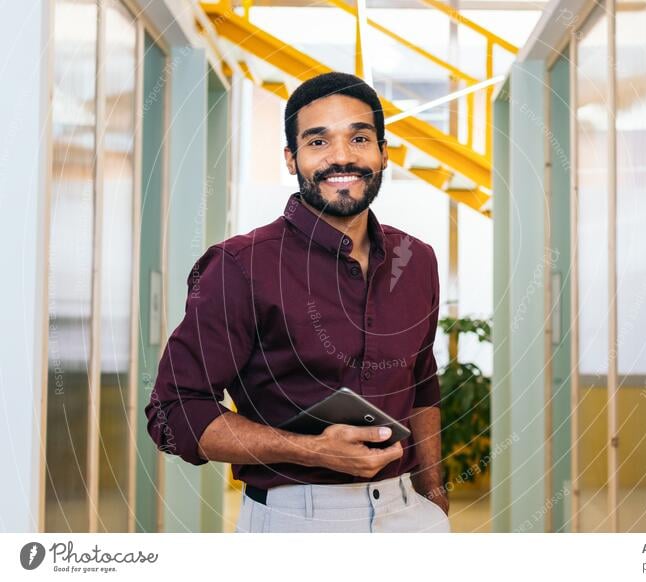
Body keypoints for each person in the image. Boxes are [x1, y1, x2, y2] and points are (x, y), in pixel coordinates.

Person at [144, 71, 449, 533]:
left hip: (410, 515)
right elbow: (174, 411)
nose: (342, 157)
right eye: (318, 142)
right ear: (292, 158)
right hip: (294, 521)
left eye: (360, 138)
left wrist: (434, 495)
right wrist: (311, 449)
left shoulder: (418, 259)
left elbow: (422, 385)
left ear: (384, 153)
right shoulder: (239, 265)